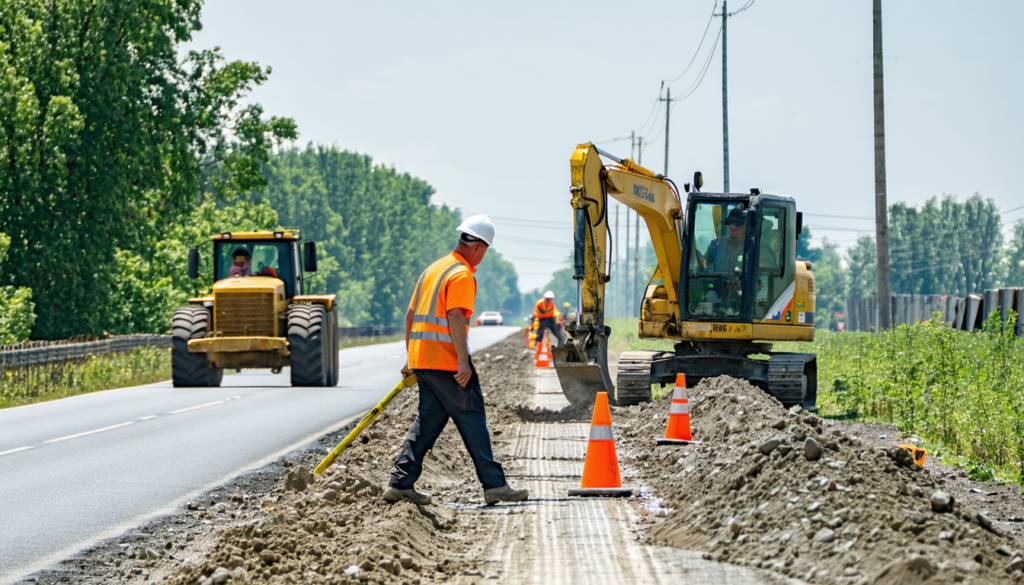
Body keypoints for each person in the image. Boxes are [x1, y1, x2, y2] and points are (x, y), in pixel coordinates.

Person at [385, 215, 528, 506]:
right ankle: (494, 485)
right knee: (473, 417)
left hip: (423, 361)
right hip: (447, 363)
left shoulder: (433, 269)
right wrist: (463, 361)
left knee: (428, 422)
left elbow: (411, 316)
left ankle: (400, 483)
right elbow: (454, 317)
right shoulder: (461, 274)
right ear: (479, 247)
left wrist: (411, 356)